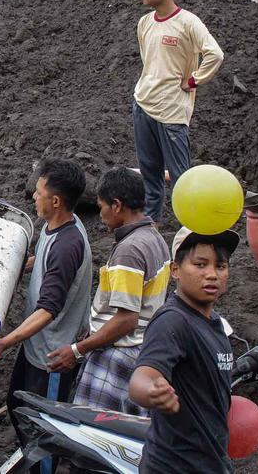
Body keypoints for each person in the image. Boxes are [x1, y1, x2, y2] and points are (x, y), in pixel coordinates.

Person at [129, 228, 258, 473]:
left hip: (210, 463)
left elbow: (210, 393)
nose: (211, 274)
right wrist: (151, 390)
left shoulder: (215, 323)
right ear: (174, 270)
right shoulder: (172, 321)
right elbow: (142, 376)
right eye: (200, 264)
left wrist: (255, 427)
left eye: (220, 266)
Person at [0, 159, 92, 474]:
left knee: (44, 431)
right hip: (36, 347)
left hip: (51, 357)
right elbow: (42, 262)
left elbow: (48, 309)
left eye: (39, 192)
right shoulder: (54, 226)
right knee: (18, 407)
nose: (33, 196)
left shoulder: (67, 246)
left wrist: (6, 341)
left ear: (55, 201)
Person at [45, 167, 170, 416]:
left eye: (101, 206)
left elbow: (127, 319)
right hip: (142, 351)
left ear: (116, 205)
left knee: (96, 437)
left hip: (117, 358)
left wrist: (78, 350)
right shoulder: (154, 238)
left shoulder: (130, 250)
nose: (100, 215)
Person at [132, 0, 225, 223]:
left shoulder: (188, 23)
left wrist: (194, 80)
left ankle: (190, 225)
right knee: (150, 173)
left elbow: (215, 54)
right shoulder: (145, 23)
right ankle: (151, 224)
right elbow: (149, 61)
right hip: (143, 104)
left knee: (181, 176)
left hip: (172, 111)